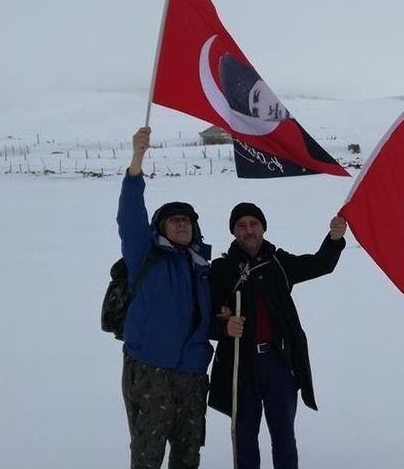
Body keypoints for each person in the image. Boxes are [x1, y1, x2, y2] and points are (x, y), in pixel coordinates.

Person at [208, 202, 347, 469]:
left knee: (283, 435)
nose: (248, 230)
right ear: (234, 232)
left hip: (278, 362)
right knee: (245, 437)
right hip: (241, 365)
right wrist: (224, 326)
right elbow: (207, 315)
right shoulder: (222, 269)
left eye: (253, 224)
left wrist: (334, 239)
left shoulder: (279, 263)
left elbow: (321, 264)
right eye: (241, 226)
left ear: (263, 227)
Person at [117, 126, 214, 469]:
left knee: (188, 454)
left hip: (192, 374)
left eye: (186, 220)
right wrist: (137, 160)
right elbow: (130, 215)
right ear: (160, 227)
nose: (181, 225)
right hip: (150, 370)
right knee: (148, 453)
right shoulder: (145, 254)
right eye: (174, 220)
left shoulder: (203, 266)